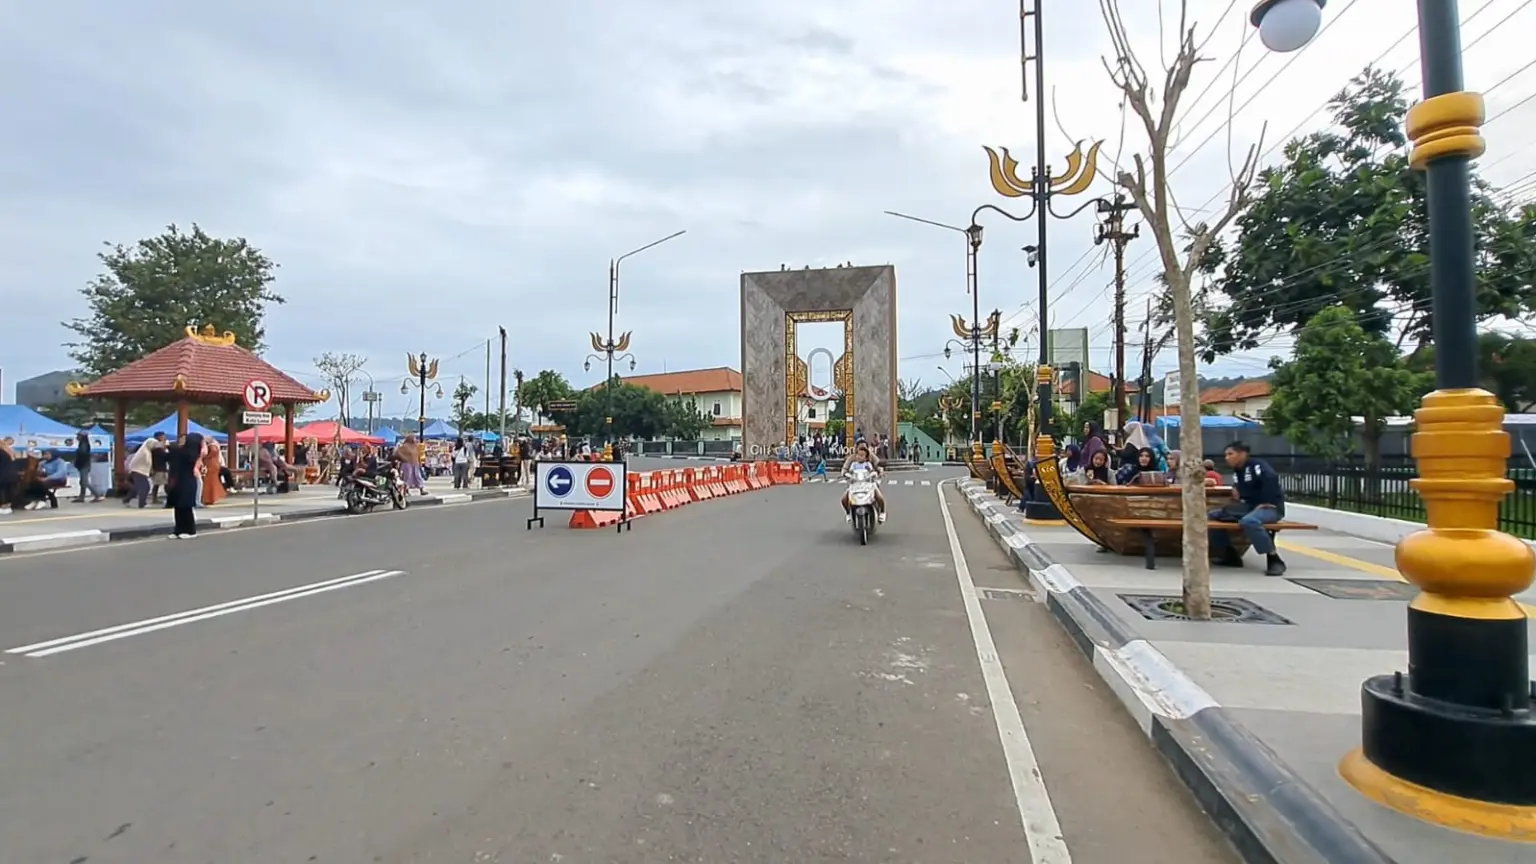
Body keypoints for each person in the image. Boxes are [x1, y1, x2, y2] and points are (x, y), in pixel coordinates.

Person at [1208, 441, 1288, 576]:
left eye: (1230, 454)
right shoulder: (1238, 470)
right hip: (1249, 507)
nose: (1227, 458)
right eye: (1226, 455)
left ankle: (1274, 558)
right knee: (1212, 516)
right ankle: (1229, 554)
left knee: (1249, 521)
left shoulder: (1257, 466)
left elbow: (1271, 478)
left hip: (1270, 508)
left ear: (1242, 454)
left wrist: (1266, 501)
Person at [169, 432, 205, 538]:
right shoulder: (184, 452)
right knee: (178, 506)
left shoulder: (194, 454)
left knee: (186, 506)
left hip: (188, 480)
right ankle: (178, 530)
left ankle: (190, 530)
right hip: (180, 480)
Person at [840, 441, 886, 523]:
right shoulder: (852, 460)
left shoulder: (869, 460)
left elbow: (878, 466)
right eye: (859, 448)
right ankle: (848, 513)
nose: (859, 456)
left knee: (879, 496)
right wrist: (845, 473)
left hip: (869, 483)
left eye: (864, 448)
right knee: (844, 499)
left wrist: (879, 472)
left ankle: (882, 512)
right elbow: (846, 468)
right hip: (855, 483)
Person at [0, 437, 17, 515]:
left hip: (3, 473)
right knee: (8, 490)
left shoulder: (1, 452)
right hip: (11, 473)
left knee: (2, 490)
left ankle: (3, 506)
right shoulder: (9, 451)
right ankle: (8, 506)